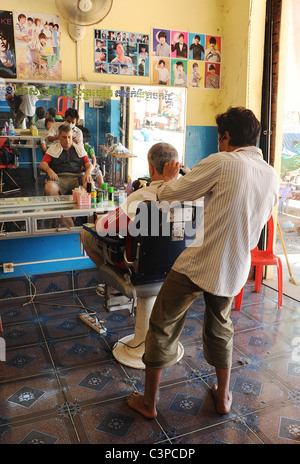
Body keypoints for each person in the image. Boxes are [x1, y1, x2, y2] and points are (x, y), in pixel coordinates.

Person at [126, 107, 279, 418]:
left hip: (197, 264)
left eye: (220, 138)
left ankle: (149, 403)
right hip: (235, 266)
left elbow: (170, 196)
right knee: (221, 328)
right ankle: (223, 398)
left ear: (226, 137)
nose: (219, 143)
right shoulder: (271, 175)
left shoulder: (221, 161)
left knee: (163, 325)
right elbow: (258, 220)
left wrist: (169, 179)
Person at [81, 142, 179, 270]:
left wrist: (99, 221)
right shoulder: (189, 197)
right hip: (174, 265)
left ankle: (113, 277)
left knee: (85, 234)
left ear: (151, 168)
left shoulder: (139, 198)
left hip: (136, 265)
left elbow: (103, 227)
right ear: (176, 168)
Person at [39, 122, 92, 196]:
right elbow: (42, 164)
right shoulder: (53, 149)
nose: (67, 140)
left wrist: (88, 172)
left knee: (90, 185)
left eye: (69, 137)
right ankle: (57, 207)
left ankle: (83, 206)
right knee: (49, 188)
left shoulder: (79, 149)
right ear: (59, 137)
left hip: (77, 178)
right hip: (58, 178)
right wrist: (49, 170)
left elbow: (89, 164)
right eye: (64, 137)